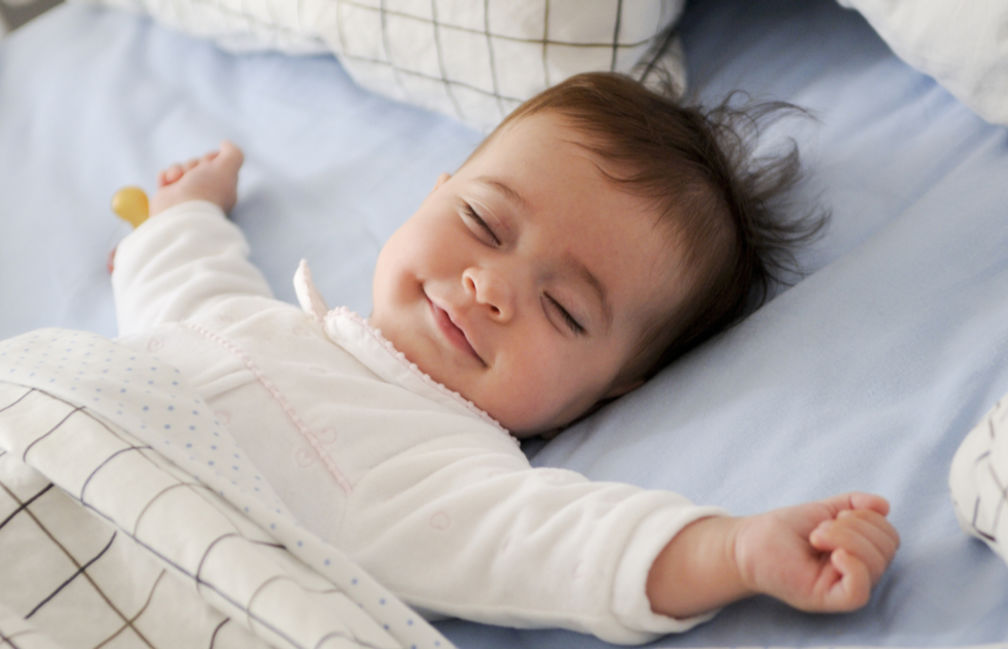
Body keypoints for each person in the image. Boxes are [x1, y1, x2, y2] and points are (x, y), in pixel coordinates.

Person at [110, 72, 899, 644]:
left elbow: (564, 546)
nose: (490, 288)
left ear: (616, 387)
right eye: (484, 222)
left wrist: (735, 550)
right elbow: (186, 282)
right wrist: (185, 213)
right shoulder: (249, 322)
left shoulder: (440, 469)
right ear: (435, 190)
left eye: (563, 310)